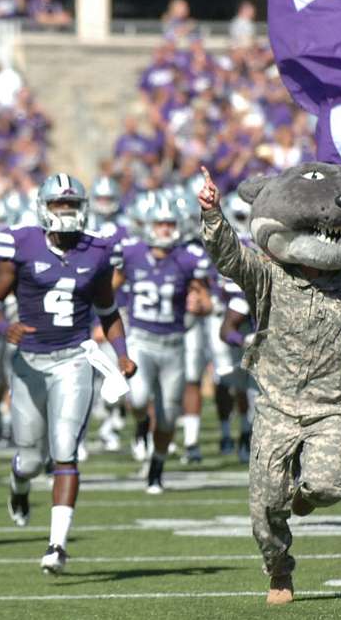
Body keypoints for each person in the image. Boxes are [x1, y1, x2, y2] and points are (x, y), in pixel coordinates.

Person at [198, 163, 341, 604]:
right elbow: (229, 257)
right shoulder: (269, 276)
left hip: (330, 408)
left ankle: (307, 497)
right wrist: (212, 213)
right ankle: (279, 570)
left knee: (328, 486)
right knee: (264, 512)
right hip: (275, 408)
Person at [0, 173, 136, 574]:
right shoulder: (21, 243)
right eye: (57, 205)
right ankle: (18, 485)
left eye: (71, 204)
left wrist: (121, 353)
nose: (65, 212)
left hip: (74, 360)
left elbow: (108, 310)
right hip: (30, 361)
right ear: (42, 207)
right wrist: (3, 328)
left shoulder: (97, 250)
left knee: (65, 450)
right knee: (30, 459)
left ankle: (57, 546)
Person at [114, 192, 211, 493]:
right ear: (149, 226)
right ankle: (141, 424)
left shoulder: (187, 258)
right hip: (141, 340)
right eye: (160, 224)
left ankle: (156, 466)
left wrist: (200, 306)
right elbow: (108, 292)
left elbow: (206, 301)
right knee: (140, 398)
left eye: (170, 223)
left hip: (174, 344)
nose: (166, 229)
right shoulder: (130, 253)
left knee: (169, 416)